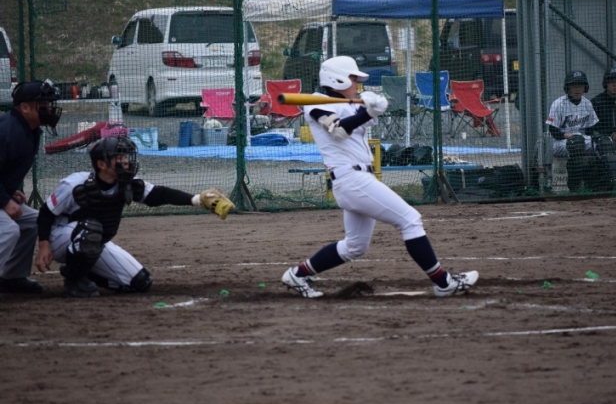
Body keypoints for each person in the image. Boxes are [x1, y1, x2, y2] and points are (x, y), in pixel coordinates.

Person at [280, 56, 478, 298]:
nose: (357, 84)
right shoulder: (316, 103)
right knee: (410, 220)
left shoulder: (350, 105)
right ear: (338, 80)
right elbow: (339, 130)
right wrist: (368, 112)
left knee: (354, 246)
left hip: (360, 179)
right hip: (351, 179)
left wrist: (370, 107)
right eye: (354, 79)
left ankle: (297, 275)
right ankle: (444, 283)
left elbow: (358, 120)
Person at [34, 135, 235, 298]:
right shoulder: (76, 184)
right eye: (118, 157)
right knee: (91, 230)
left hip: (92, 241)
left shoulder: (126, 183)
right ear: (102, 164)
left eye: (125, 156)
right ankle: (74, 281)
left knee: (140, 282)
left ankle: (85, 272)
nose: (125, 161)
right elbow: (46, 213)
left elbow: (158, 194)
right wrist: (44, 245)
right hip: (59, 239)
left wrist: (197, 199)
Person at [0, 80, 62, 295]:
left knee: (36, 221)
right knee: (9, 230)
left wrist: (8, 190)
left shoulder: (29, 130)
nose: (49, 109)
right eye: (43, 105)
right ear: (25, 108)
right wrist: (4, 200)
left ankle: (12, 277)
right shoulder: (8, 132)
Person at [546, 70, 604, 191]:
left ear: (585, 88)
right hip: (561, 142)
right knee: (576, 143)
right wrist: (566, 135)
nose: (577, 89)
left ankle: (603, 183)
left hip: (580, 139)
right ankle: (574, 186)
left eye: (580, 85)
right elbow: (553, 130)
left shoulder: (587, 103)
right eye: (574, 85)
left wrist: (595, 138)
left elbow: (592, 128)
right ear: (568, 87)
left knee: (602, 143)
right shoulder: (558, 104)